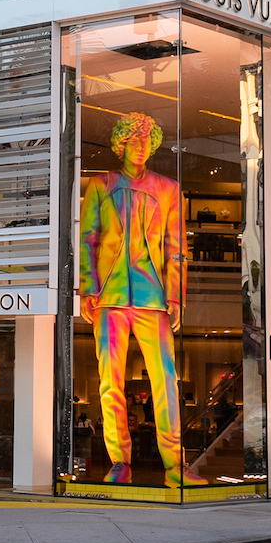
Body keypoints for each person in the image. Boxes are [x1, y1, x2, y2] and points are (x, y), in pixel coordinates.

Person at [78, 111, 207, 488]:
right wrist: (88, 288)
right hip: (111, 297)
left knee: (166, 381)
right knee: (110, 382)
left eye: (145, 140)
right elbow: (88, 240)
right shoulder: (100, 186)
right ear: (120, 145)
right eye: (131, 139)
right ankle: (120, 462)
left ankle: (174, 466)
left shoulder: (168, 188)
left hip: (153, 297)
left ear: (152, 145)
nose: (138, 146)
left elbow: (176, 248)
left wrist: (177, 296)